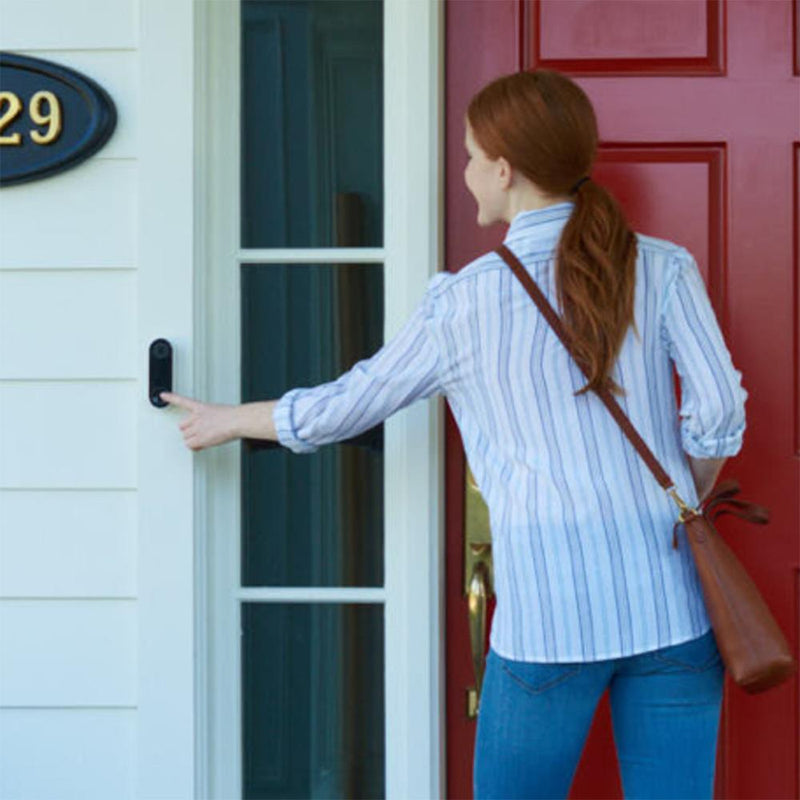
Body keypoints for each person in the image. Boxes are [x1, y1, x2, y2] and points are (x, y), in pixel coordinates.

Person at [161, 68, 747, 799]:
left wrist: (228, 420)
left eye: (471, 156)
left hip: (547, 629)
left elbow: (347, 404)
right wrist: (677, 498)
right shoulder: (664, 268)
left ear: (505, 170)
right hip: (672, 616)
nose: (464, 172)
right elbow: (719, 411)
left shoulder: (464, 305)